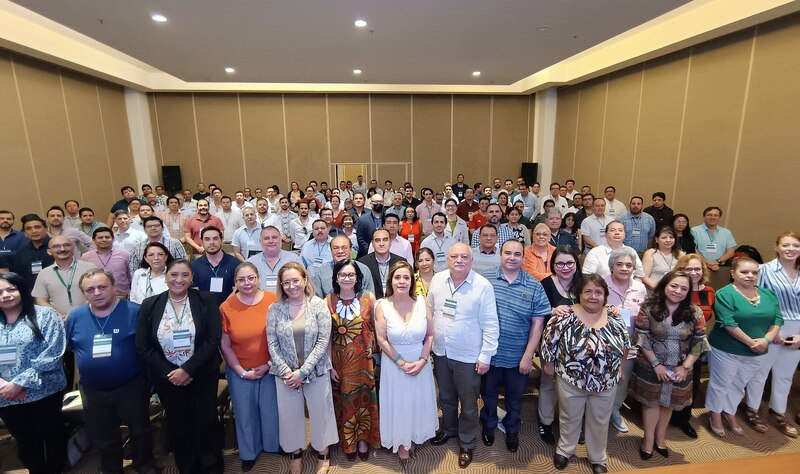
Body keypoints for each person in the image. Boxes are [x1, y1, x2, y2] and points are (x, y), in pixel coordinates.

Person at [66, 269, 158, 474]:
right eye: (90, 289)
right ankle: (110, 468)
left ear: (114, 286)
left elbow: (149, 347)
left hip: (130, 385)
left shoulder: (135, 311)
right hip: (92, 389)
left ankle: (145, 464)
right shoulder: (76, 316)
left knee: (140, 430)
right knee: (102, 433)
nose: (97, 292)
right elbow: (73, 347)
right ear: (84, 293)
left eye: (102, 287)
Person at [136, 259, 224, 473]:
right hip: (168, 378)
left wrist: (188, 370)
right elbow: (143, 346)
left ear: (192, 277)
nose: (179, 279)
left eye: (185, 275)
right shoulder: (150, 304)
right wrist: (171, 372)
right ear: (166, 277)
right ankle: (187, 465)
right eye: (174, 274)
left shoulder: (206, 300)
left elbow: (213, 339)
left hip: (201, 374)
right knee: (178, 423)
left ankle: (211, 465)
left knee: (205, 420)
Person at [542, 274, 631, 474]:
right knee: (569, 417)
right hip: (570, 380)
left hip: (606, 382)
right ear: (579, 294)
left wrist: (621, 369)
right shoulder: (565, 316)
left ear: (605, 296)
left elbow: (625, 346)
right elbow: (549, 343)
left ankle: (598, 457)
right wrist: (548, 365)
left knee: (600, 421)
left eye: (598, 292)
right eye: (588, 291)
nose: (593, 296)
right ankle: (565, 450)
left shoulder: (616, 318)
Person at [427, 243, 499, 469]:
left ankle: (467, 442)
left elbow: (490, 324)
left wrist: (486, 355)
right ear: (447, 259)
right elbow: (430, 310)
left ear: (471, 259)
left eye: (464, 256)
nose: (459, 260)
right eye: (454, 256)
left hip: (468, 356)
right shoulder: (438, 280)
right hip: (441, 351)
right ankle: (449, 429)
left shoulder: (482, 286)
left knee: (468, 404)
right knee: (446, 398)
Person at [266, 262, 338, 474]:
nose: (291, 286)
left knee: (320, 413)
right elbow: (272, 343)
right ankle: (295, 453)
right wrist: (287, 371)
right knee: (289, 416)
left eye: (295, 280)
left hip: (315, 371)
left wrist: (303, 371)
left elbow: (323, 341)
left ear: (305, 280)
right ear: (281, 284)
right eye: (286, 282)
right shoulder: (275, 308)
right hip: (285, 374)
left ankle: (322, 453)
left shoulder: (318, 305)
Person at [628, 271, 708, 459]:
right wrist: (657, 365)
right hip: (651, 365)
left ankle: (660, 438)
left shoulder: (695, 311)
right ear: (664, 285)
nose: (678, 291)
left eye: (683, 288)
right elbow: (642, 337)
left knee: (668, 404)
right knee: (651, 403)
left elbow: (699, 341)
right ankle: (648, 440)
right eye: (674, 286)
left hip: (680, 366)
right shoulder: (648, 308)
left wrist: (685, 367)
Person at [480, 240, 551, 452]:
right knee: (488, 394)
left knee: (514, 398)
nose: (512, 257)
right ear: (500, 254)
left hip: (518, 356)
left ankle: (512, 428)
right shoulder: (486, 280)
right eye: (508, 253)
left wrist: (529, 355)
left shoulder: (534, 285)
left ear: (523, 256)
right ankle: (489, 425)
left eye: (517, 254)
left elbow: (538, 325)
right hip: (490, 354)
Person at [705, 257, 782, 437]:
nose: (750, 276)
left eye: (754, 272)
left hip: (758, 351)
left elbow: (777, 320)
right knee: (721, 383)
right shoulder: (724, 294)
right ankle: (715, 414)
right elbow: (727, 322)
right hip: (726, 349)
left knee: (739, 384)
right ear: (733, 273)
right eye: (744, 272)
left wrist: (766, 341)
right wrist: (751, 342)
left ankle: (729, 412)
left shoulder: (768, 294)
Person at [0, 272, 68, 474]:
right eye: (0, 292)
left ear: (22, 288)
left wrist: (19, 383)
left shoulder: (45, 315)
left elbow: (54, 352)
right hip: (5, 395)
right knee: (25, 440)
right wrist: (4, 386)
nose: (6, 295)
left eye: (11, 289)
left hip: (43, 389)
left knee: (52, 435)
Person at [219, 262, 281, 471]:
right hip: (240, 369)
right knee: (245, 414)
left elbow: (283, 338)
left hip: (271, 367)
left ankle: (273, 445)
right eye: (241, 279)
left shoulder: (274, 301)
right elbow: (225, 345)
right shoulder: (226, 307)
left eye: (251, 278)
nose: (247, 283)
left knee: (271, 410)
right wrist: (240, 371)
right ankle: (249, 452)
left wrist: (269, 365)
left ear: (258, 279)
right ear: (235, 283)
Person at [746, 231, 800, 437]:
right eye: (786, 245)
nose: (791, 249)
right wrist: (770, 332)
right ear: (777, 247)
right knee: (760, 373)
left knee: (785, 376)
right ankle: (752, 410)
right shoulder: (763, 270)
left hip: (797, 330)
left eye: (796, 245)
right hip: (769, 327)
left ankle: (779, 412)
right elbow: (754, 302)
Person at [326, 259, 380, 461]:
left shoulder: (369, 298)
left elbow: (376, 328)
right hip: (340, 362)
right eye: (342, 275)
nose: (346, 278)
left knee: (364, 401)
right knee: (345, 402)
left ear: (357, 277)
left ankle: (364, 440)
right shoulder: (328, 300)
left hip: (363, 362)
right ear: (336, 278)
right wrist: (329, 364)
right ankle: (349, 442)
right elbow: (328, 336)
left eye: (351, 275)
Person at [537, 246, 582, 444]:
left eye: (569, 263)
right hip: (552, 344)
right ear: (553, 265)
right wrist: (553, 310)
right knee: (548, 383)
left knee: (575, 386)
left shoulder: (584, 282)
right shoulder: (546, 283)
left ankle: (573, 424)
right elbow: (537, 312)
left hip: (579, 346)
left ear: (576, 263)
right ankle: (545, 422)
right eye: (560, 263)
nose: (565, 267)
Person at [667, 253, 716, 437]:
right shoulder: (675, 289)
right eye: (689, 269)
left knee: (691, 384)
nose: (694, 272)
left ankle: (684, 419)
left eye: (697, 268)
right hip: (672, 344)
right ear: (680, 270)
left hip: (695, 346)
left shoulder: (709, 292)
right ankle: (665, 417)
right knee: (669, 383)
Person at [604, 247, 648, 433]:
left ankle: (614, 410)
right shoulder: (601, 284)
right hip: (604, 343)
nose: (624, 268)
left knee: (622, 380)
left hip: (629, 345)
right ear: (611, 266)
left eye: (629, 265)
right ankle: (596, 414)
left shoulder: (640, 287)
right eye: (619, 264)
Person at [32, 236, 98, 321]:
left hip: (89, 317)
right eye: (56, 246)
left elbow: (97, 293)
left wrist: (79, 313)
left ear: (73, 248)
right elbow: (40, 299)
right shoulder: (43, 273)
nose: (62, 249)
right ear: (49, 251)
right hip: (57, 320)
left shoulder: (90, 268)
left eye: (66, 245)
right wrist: (56, 315)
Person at [191, 226, 239, 305]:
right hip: (204, 312)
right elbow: (194, 293)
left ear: (222, 241)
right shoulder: (194, 266)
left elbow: (236, 291)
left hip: (229, 310)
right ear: (202, 242)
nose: (211, 242)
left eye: (215, 238)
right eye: (207, 239)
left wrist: (224, 308)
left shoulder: (235, 264)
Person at [247, 226, 302, 294]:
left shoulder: (293, 260)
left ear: (280, 239)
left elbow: (301, 285)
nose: (271, 241)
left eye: (274, 237)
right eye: (266, 238)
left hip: (288, 302)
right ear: (260, 241)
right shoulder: (251, 263)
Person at [691, 207, 737, 287]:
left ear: (719, 218)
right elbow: (694, 250)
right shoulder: (694, 231)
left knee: (718, 291)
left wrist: (717, 261)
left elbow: (731, 251)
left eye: (716, 215)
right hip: (700, 268)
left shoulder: (726, 232)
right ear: (704, 216)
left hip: (720, 268)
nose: (712, 217)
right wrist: (706, 262)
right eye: (709, 215)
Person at [81, 227, 132, 298]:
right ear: (93, 240)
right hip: (96, 296)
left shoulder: (125, 255)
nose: (104, 240)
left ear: (113, 239)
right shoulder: (85, 257)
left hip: (121, 296)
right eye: (100, 238)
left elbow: (130, 276)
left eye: (107, 237)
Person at [11, 214, 54, 289]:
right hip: (31, 294)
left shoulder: (58, 247)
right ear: (25, 233)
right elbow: (19, 276)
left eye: (37, 227)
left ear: (46, 229)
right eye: (28, 228)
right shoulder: (21, 252)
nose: (34, 231)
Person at [358, 229, 404, 299]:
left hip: (396, 304)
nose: (381, 244)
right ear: (372, 243)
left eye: (385, 240)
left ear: (390, 242)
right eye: (377, 240)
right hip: (371, 305)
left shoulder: (401, 262)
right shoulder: (363, 263)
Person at [355, 194, 385, 259]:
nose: (378, 204)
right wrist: (370, 250)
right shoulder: (362, 219)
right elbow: (360, 239)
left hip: (385, 252)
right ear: (371, 204)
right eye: (376, 202)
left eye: (380, 202)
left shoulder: (387, 218)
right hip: (367, 254)